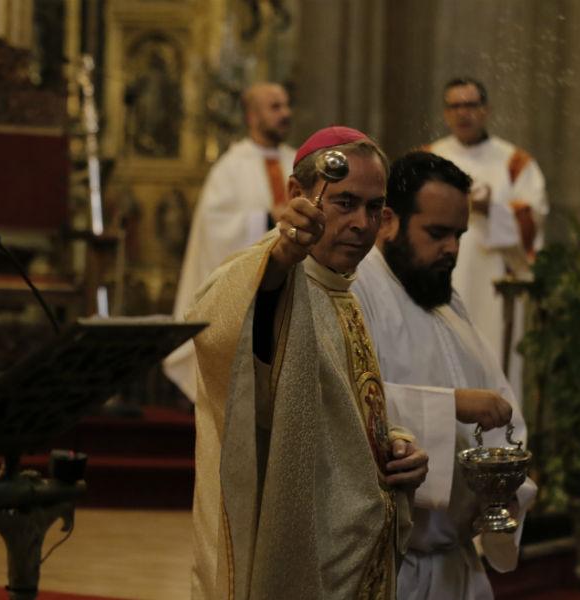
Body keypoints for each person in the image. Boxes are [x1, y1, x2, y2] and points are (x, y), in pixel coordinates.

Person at [182, 126, 429, 599]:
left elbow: (346, 410)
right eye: (345, 202)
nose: (362, 222)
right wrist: (281, 254)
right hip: (302, 562)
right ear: (298, 193)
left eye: (374, 207)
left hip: (358, 560)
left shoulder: (345, 293)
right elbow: (224, 335)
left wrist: (394, 445)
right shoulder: (272, 276)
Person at [353, 151, 537, 600]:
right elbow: (345, 404)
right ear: (389, 221)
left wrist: (512, 488)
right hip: (390, 570)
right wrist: (450, 404)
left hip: (457, 568)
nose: (452, 249)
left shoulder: (447, 301)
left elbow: (500, 404)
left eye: (458, 234)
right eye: (437, 233)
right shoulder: (358, 291)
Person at [165, 82, 295, 400]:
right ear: (252, 116)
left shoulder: (297, 161)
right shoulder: (230, 167)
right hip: (246, 294)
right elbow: (214, 228)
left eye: (286, 105)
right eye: (275, 107)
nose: (285, 113)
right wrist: (265, 218)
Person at [427, 77, 548, 400]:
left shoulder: (514, 163)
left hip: (494, 286)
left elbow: (532, 221)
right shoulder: (428, 160)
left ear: (486, 110)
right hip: (439, 282)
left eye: (471, 105)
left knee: (494, 363)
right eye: (455, 106)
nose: (463, 113)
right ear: (445, 113)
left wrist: (491, 208)